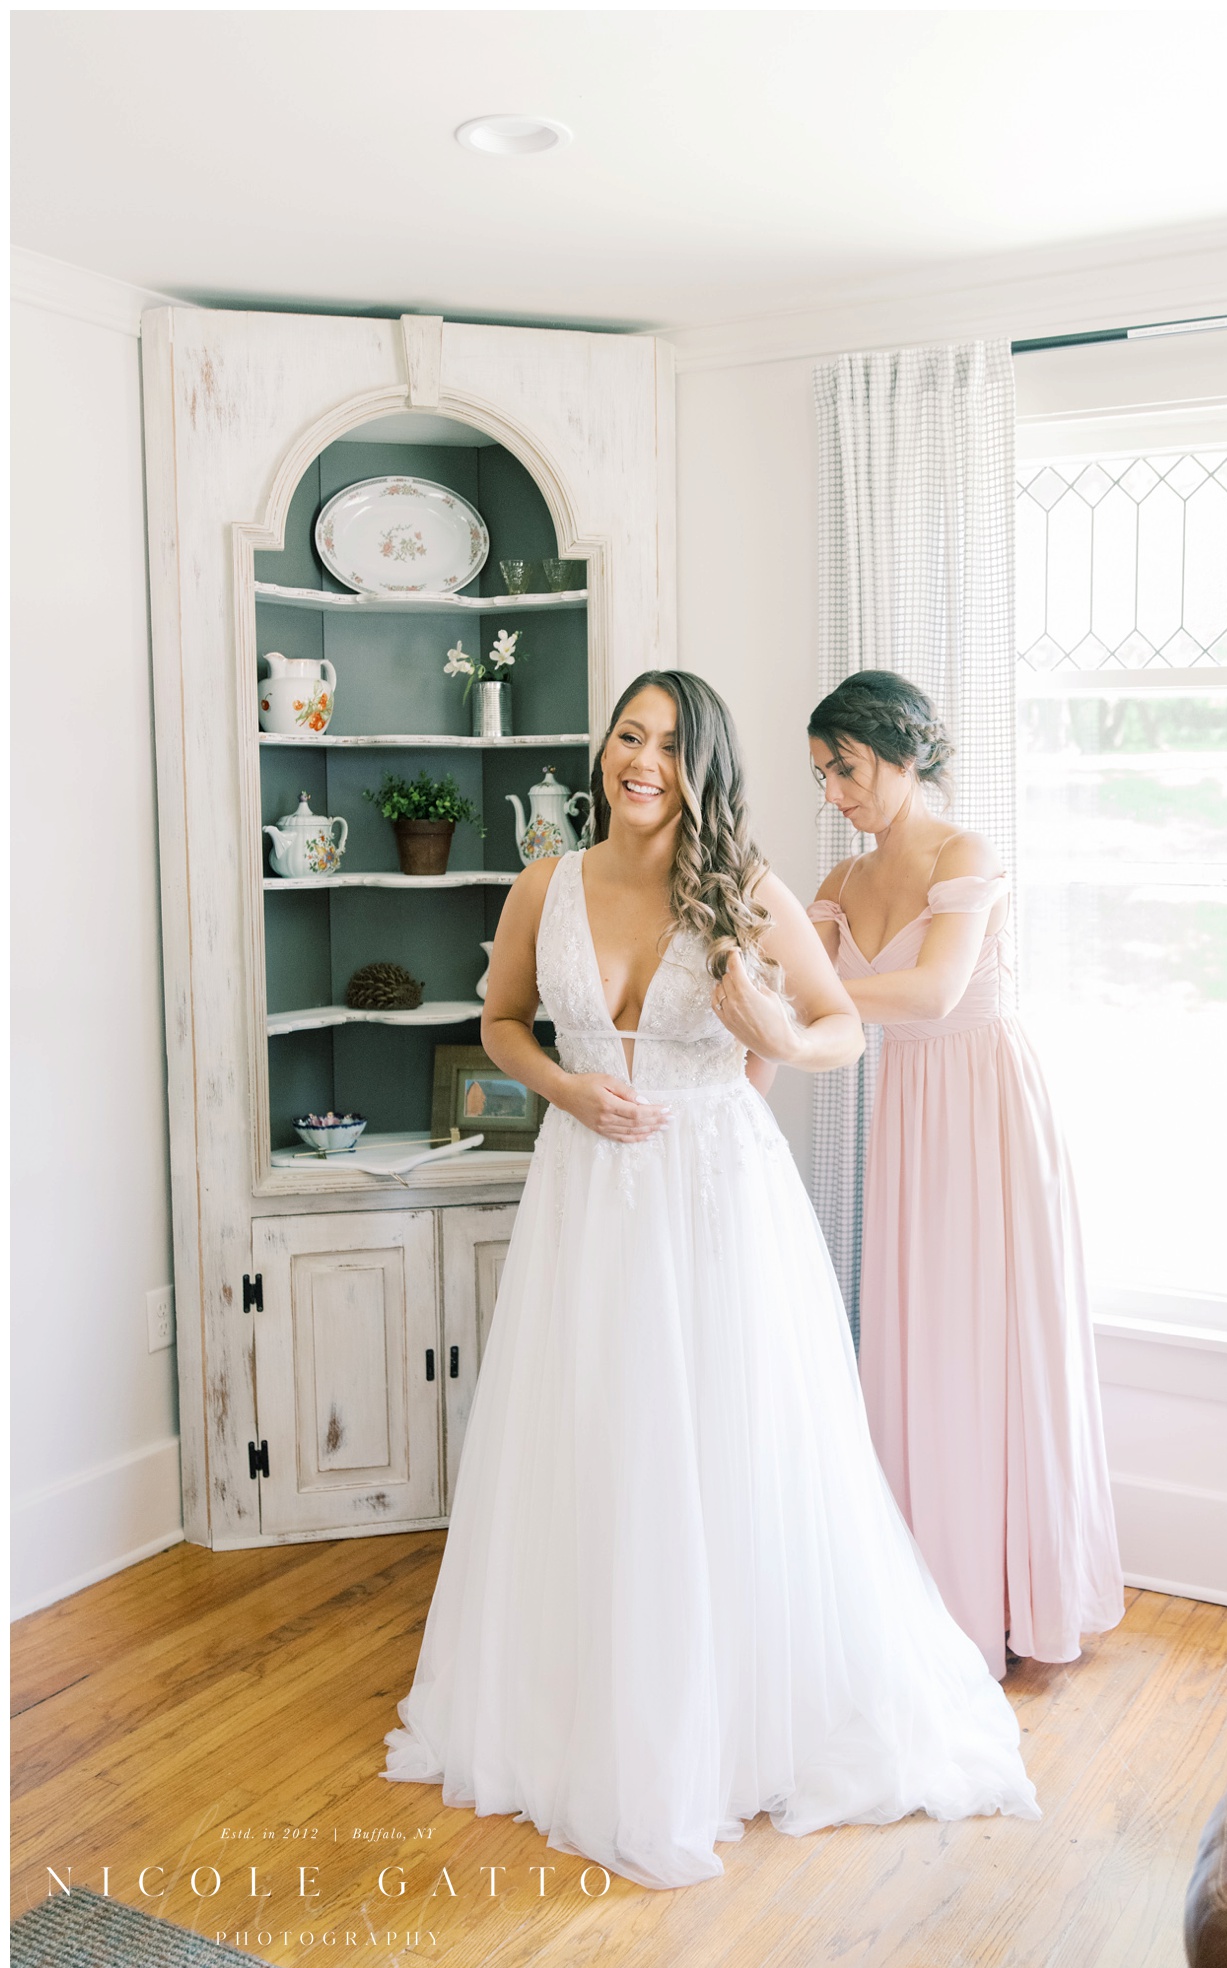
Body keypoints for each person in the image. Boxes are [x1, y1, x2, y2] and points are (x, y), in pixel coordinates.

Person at [381, 670, 1039, 1889]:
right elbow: (500, 1021)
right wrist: (567, 1087)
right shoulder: (548, 882)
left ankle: (734, 1718)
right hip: (587, 1190)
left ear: (705, 765)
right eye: (629, 734)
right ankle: (587, 1706)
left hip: (717, 1193)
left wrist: (780, 1035)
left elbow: (839, 1023)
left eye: (671, 745)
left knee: (728, 1446)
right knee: (595, 1438)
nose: (643, 761)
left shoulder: (745, 889)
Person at [804, 671, 1125, 1681]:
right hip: (904, 1112)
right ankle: (929, 1590)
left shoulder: (964, 852)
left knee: (994, 1339)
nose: (834, 794)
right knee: (920, 1337)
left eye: (845, 768)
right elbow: (801, 999)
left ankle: (1012, 1593)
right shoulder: (837, 881)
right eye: (820, 773)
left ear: (903, 752)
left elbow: (936, 988)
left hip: (985, 1110)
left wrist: (807, 991)